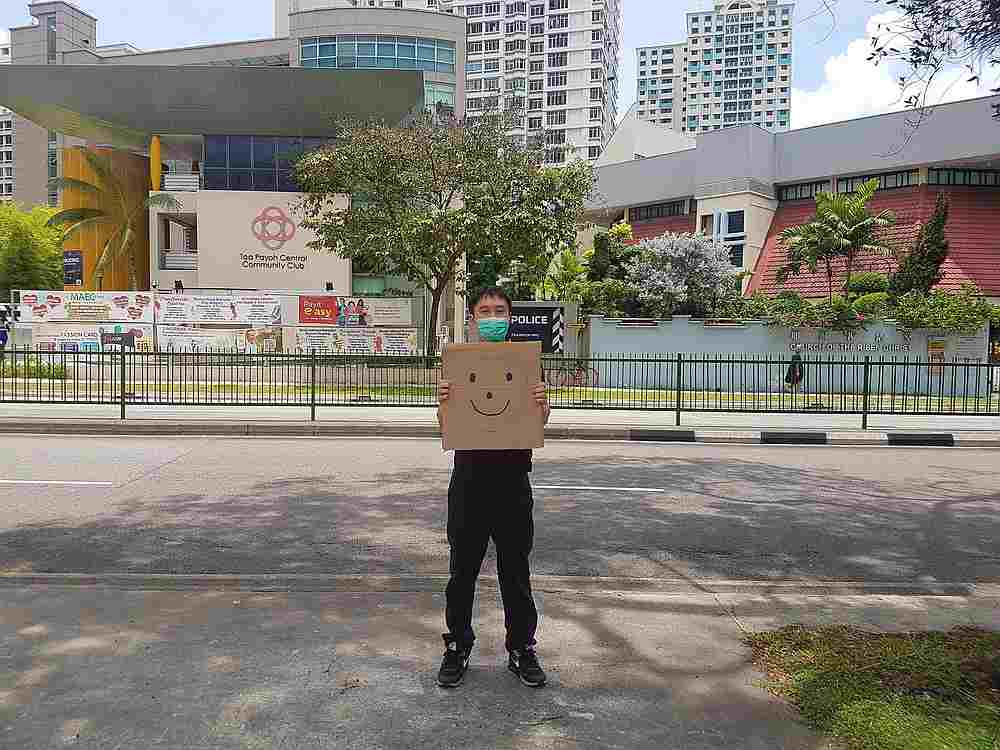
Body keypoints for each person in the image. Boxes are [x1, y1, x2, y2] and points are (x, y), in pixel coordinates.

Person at [435, 286, 550, 689]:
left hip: (513, 482)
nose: (492, 317)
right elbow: (446, 426)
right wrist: (443, 403)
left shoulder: (524, 365)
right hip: (468, 482)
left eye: (499, 310)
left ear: (510, 317)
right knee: (461, 572)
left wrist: (543, 404)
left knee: (515, 572)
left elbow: (538, 423)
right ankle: (458, 646)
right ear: (472, 318)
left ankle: (522, 648)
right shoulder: (457, 363)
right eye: (485, 311)